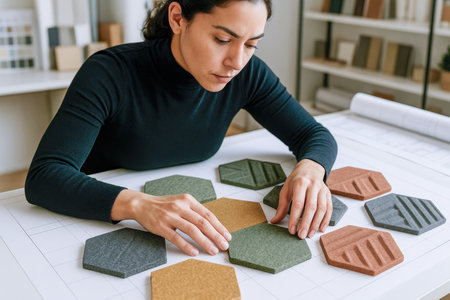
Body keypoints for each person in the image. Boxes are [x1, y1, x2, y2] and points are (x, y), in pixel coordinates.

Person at [25, 0, 337, 257]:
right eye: (222, 40)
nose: (236, 61)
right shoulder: (109, 73)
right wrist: (137, 204)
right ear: (178, 18)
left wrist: (310, 169)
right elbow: (44, 177)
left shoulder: (246, 73)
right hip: (89, 227)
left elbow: (313, 135)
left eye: (251, 44)